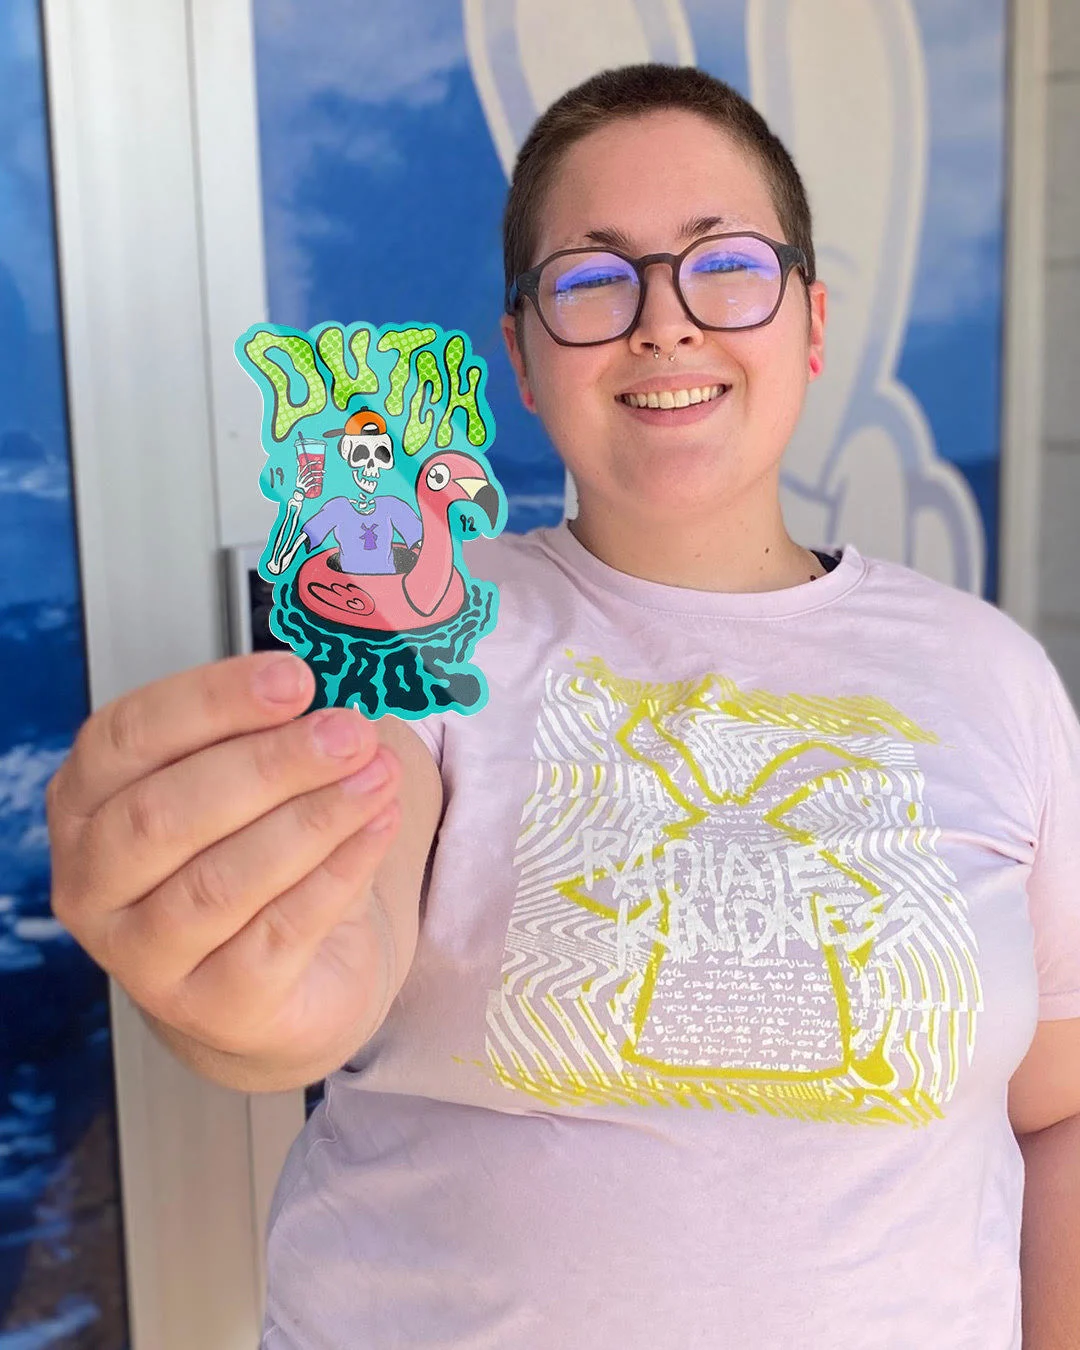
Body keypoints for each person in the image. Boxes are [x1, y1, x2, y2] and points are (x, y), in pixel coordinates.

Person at [46, 64, 1080, 1349]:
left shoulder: (992, 675)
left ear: (811, 323)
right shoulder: (417, 615)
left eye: (726, 265)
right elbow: (332, 960)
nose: (664, 323)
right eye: (592, 281)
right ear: (525, 363)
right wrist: (243, 989)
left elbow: (1055, 1109)